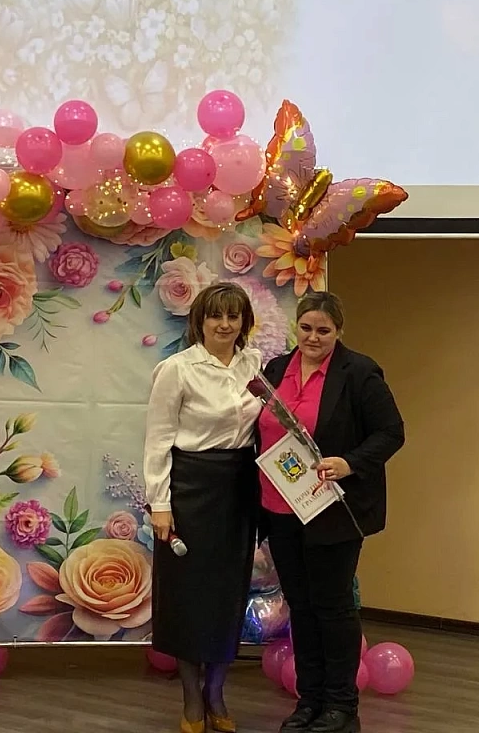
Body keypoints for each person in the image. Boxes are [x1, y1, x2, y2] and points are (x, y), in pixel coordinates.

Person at [257, 292, 405, 733]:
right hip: (281, 507)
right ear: (296, 327)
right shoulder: (275, 370)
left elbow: (392, 432)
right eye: (306, 328)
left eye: (323, 330)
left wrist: (349, 463)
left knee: (333, 607)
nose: (313, 337)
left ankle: (342, 706)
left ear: (339, 331)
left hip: (333, 511)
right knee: (301, 608)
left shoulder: (358, 372)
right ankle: (310, 701)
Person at [144, 282, 263, 733]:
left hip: (239, 491)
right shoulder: (177, 369)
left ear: (244, 322)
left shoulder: (256, 366)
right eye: (216, 315)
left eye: (233, 316)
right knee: (188, 594)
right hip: (190, 490)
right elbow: (157, 440)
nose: (225, 325)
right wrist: (160, 503)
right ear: (200, 320)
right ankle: (192, 697)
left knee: (227, 595)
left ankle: (216, 690)